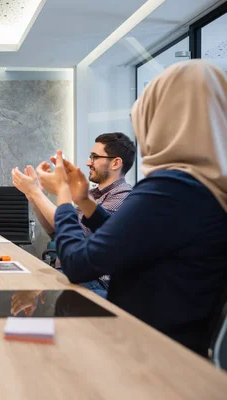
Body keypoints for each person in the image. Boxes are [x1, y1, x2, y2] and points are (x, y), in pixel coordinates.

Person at [35, 60, 227, 355]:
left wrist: (62, 193)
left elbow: (77, 263)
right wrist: (83, 199)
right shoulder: (205, 188)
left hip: (142, 351)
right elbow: (123, 235)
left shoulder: (170, 189)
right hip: (182, 349)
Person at [12, 133, 136, 297]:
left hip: (94, 281)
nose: (88, 163)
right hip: (68, 270)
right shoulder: (91, 194)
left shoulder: (122, 196)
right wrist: (32, 196)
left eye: (95, 157)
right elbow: (57, 231)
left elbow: (78, 233)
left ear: (115, 163)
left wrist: (37, 193)